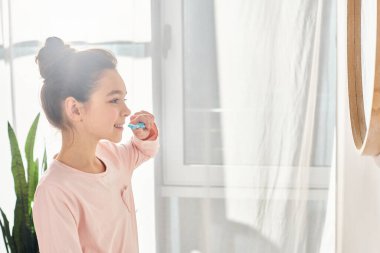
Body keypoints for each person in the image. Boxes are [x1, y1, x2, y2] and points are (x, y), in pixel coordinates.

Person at [32, 37, 159, 253]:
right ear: (75, 109)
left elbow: (141, 151)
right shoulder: (54, 191)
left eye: (124, 99)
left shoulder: (112, 156)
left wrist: (145, 135)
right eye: (114, 100)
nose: (126, 111)